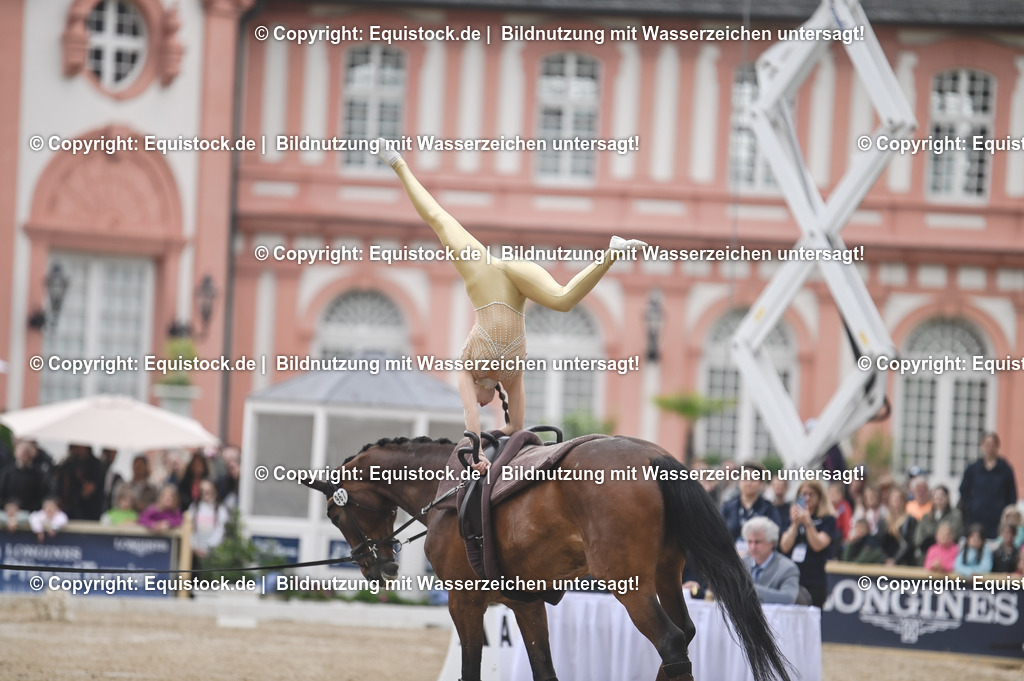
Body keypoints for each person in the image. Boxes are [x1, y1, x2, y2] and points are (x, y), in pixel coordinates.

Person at [376, 142, 644, 471]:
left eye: (476, 398)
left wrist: (475, 452)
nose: (478, 400)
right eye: (480, 400)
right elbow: (517, 426)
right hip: (516, 285)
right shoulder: (510, 377)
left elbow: (470, 417)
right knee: (562, 301)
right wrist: (494, 435)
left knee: (440, 220)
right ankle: (613, 253)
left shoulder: (465, 369)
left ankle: (398, 164)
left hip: (484, 275)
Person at [779, 479, 836, 607]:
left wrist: (807, 522)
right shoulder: (791, 518)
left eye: (811, 494)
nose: (807, 498)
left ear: (819, 497)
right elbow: (784, 546)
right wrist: (795, 524)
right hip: (792, 578)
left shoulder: (828, 519)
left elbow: (818, 545)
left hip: (814, 580)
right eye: (803, 494)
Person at [959, 432, 1018, 539]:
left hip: (997, 518)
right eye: (986, 445)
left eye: (992, 445)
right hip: (976, 516)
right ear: (981, 446)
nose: (989, 448)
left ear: (997, 447)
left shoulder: (1005, 469)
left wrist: (1005, 510)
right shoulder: (973, 468)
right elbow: (963, 490)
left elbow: (1012, 494)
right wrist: (971, 505)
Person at [742, 516, 802, 605]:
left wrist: (751, 589)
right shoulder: (741, 564)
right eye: (750, 542)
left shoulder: (787, 568)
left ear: (772, 543)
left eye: (758, 542)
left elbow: (788, 598)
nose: (753, 547)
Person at [720, 461, 781, 549]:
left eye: (753, 479)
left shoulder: (769, 509)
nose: (748, 483)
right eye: (745, 478)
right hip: (729, 555)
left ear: (761, 483)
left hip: (758, 558)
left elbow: (774, 537)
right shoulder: (728, 507)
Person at [913, 484, 964, 563]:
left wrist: (939, 540)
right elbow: (918, 539)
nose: (938, 499)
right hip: (927, 555)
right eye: (936, 497)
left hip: (948, 555)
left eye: (941, 496)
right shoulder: (926, 517)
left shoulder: (956, 515)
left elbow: (955, 534)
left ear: (947, 497)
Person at [54, 443, 104, 520]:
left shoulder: (95, 464)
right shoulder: (68, 464)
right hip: (67, 512)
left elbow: (87, 491)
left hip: (89, 512)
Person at [0, 440, 50, 512]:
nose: (24, 457)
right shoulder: (7, 473)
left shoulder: (38, 474)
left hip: (31, 512)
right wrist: (8, 505)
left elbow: (42, 495)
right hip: (9, 512)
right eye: (22, 454)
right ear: (16, 453)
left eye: (26, 454)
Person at [190, 479, 228, 568]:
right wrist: (195, 547)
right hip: (196, 552)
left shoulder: (220, 509)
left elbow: (220, 530)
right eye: (203, 491)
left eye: (209, 491)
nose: (206, 494)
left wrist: (209, 548)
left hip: (215, 552)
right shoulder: (194, 507)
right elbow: (190, 529)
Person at [881, 487, 917, 566]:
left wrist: (895, 560)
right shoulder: (884, 520)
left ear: (904, 501)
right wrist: (886, 559)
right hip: (886, 563)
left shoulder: (910, 520)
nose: (897, 502)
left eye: (899, 499)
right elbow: (880, 543)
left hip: (904, 563)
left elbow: (909, 544)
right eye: (894, 499)